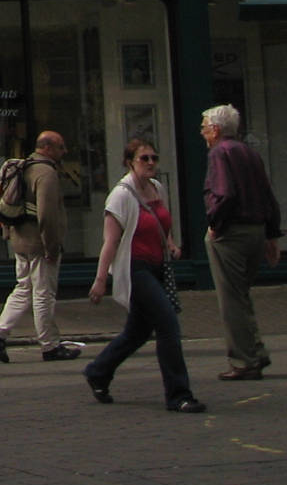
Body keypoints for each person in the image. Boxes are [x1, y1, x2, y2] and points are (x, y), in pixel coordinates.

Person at [86, 139, 204, 413]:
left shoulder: (156, 188)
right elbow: (110, 242)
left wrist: (171, 244)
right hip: (135, 269)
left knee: (137, 332)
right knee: (168, 325)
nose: (151, 163)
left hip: (157, 266)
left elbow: (162, 222)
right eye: (144, 159)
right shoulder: (121, 195)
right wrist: (101, 279)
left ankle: (98, 371)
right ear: (130, 162)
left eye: (154, 158)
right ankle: (179, 395)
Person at [201, 103, 282, 381]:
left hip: (231, 232)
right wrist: (272, 234)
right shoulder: (250, 153)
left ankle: (244, 359)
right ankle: (255, 350)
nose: (202, 133)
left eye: (204, 128)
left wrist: (214, 223)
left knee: (231, 299)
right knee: (242, 293)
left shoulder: (220, 153)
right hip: (256, 230)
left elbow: (224, 194)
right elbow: (268, 196)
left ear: (215, 129)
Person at [0, 130, 81, 363]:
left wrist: (9, 234)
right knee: (43, 294)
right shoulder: (46, 173)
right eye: (60, 147)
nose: (64, 151)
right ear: (47, 148)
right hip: (39, 243)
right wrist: (51, 247)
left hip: (21, 241)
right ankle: (50, 346)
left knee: (24, 288)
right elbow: (47, 215)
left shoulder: (23, 166)